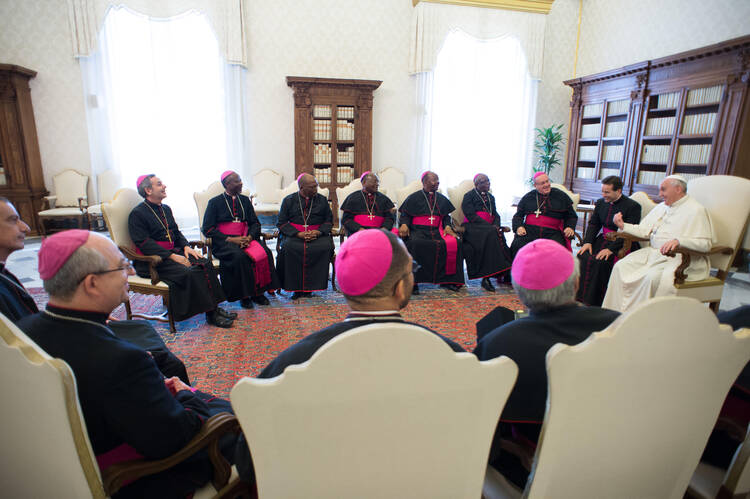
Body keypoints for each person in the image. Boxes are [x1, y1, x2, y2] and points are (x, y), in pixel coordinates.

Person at [18, 230, 238, 498]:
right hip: (136, 477)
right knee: (238, 423)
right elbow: (174, 438)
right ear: (92, 284)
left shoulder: (23, 331)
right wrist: (184, 395)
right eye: (122, 266)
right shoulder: (121, 360)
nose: (130, 271)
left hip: (65, 460)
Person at [233, 228, 465, 482]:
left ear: (344, 287)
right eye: (412, 271)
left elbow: (248, 462)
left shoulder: (292, 364)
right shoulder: (452, 356)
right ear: (400, 289)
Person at [474, 238, 620, 487]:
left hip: (536, 472)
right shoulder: (621, 326)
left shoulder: (496, 344)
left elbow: (480, 423)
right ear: (576, 283)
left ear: (519, 293)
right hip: (619, 458)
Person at [0, 197, 189, 383]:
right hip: (56, 359)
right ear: (92, 283)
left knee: (140, 328)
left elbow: (26, 325)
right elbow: (17, 350)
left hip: (54, 336)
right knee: (168, 364)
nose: (25, 227)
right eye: (12, 220)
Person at [129, 175, 233, 327]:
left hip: (172, 254)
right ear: (148, 190)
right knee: (190, 272)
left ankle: (214, 309)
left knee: (205, 263)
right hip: (151, 261)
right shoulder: (137, 214)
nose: (164, 186)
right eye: (159, 184)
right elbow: (144, 243)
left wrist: (186, 247)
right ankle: (211, 314)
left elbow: (176, 233)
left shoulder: (165, 209)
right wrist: (172, 257)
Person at [602, 175, 714, 312]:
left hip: (681, 259)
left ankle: (642, 320)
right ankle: (614, 314)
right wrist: (623, 225)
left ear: (678, 189)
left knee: (650, 278)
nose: (660, 194)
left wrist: (679, 242)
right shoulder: (662, 207)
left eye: (663, 190)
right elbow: (644, 231)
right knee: (620, 267)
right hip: (654, 254)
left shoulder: (696, 210)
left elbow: (705, 244)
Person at [202, 170, 279, 308]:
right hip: (224, 243)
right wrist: (231, 240)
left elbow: (255, 223)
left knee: (265, 252)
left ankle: (258, 293)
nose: (241, 183)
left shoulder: (244, 200)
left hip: (245, 237)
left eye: (240, 180)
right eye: (237, 181)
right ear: (227, 184)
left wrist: (249, 237)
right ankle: (244, 295)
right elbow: (207, 229)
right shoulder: (214, 202)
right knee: (239, 257)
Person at [576, 176, 642, 306]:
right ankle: (579, 298)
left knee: (601, 262)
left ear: (618, 191)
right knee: (582, 256)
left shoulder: (633, 206)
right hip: (603, 239)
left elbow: (629, 231)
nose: (603, 195)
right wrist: (588, 242)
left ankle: (595, 301)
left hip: (623, 242)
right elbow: (594, 224)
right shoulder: (601, 203)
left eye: (607, 192)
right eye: (602, 191)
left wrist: (611, 249)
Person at [398, 171, 464, 293]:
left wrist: (448, 227)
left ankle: (448, 281)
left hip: (437, 230)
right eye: (434, 180)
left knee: (456, 243)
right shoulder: (413, 197)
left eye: (438, 180)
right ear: (424, 182)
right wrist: (404, 224)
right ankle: (413, 282)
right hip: (418, 230)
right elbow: (405, 214)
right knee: (415, 243)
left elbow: (446, 217)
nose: (437, 183)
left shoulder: (442, 199)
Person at [276, 173, 334, 300]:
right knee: (289, 248)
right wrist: (297, 233)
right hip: (295, 235)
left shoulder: (322, 200)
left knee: (324, 247)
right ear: (301, 187)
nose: (316, 189)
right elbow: (281, 222)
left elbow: (329, 221)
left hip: (317, 234)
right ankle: (295, 289)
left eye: (316, 186)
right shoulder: (289, 200)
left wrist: (318, 232)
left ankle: (312, 287)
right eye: (312, 187)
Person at [461, 173, 512, 292]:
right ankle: (486, 277)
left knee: (495, 234)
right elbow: (470, 215)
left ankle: (503, 271)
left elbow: (495, 214)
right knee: (492, 234)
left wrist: (496, 224)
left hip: (489, 228)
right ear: (477, 184)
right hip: (473, 227)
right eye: (484, 182)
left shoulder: (490, 197)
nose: (488, 183)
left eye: (488, 181)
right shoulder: (468, 196)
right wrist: (488, 226)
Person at [510, 172, 577, 255]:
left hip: (552, 232)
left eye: (547, 181)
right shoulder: (528, 197)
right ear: (535, 186)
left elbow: (571, 216)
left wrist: (570, 227)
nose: (546, 185)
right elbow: (518, 216)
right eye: (542, 183)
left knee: (557, 250)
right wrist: (519, 227)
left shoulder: (561, 196)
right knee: (518, 245)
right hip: (529, 231)